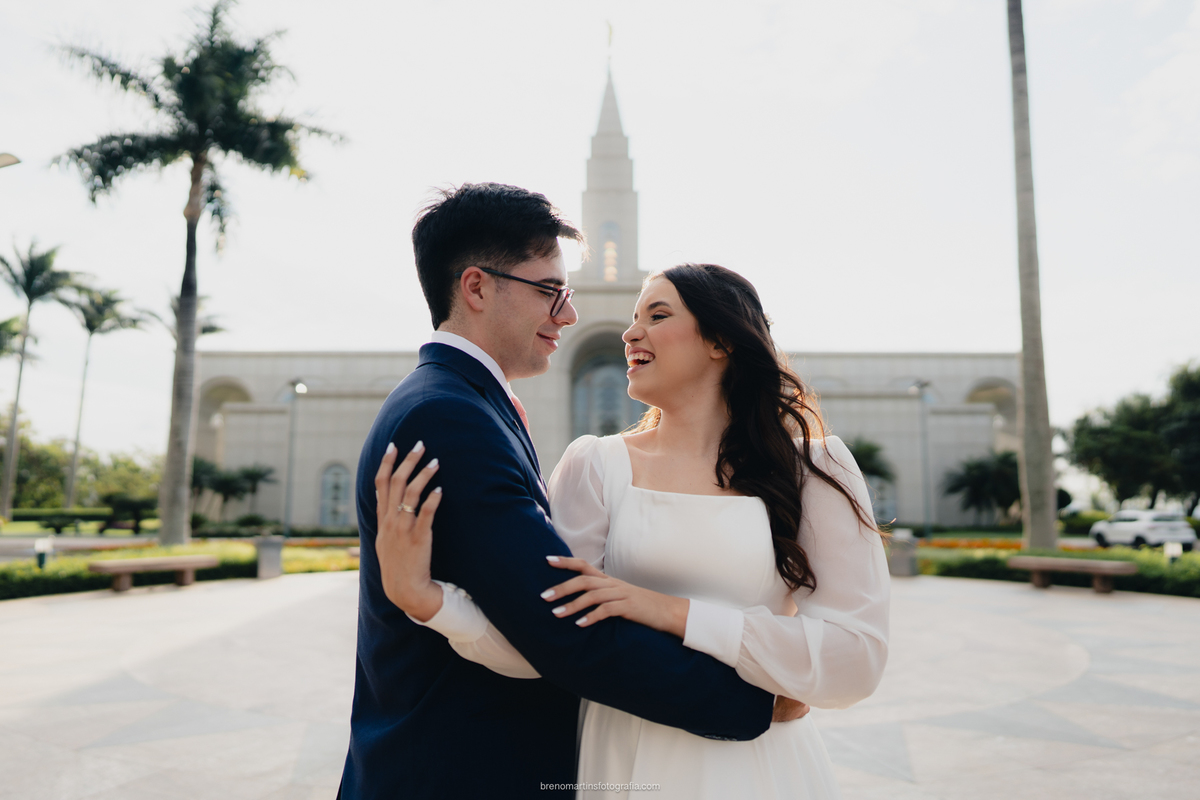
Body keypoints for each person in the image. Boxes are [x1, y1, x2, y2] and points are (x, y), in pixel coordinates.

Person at [376, 262, 891, 799]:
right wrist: (429, 601)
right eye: (632, 318)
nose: (629, 333)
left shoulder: (815, 467)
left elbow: (855, 658)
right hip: (623, 758)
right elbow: (542, 639)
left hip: (760, 763)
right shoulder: (595, 464)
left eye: (658, 314)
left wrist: (667, 610)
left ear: (721, 340)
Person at [338, 185, 784, 800]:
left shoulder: (463, 403)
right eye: (550, 291)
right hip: (454, 770)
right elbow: (560, 624)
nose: (568, 316)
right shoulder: (448, 416)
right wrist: (751, 702)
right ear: (476, 287)